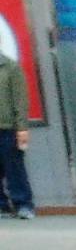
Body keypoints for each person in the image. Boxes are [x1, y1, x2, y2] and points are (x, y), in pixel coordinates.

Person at [0, 44, 33, 220]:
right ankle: (2, 206)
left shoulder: (10, 68)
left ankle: (23, 204)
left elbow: (20, 100)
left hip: (8, 128)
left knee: (14, 168)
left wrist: (22, 128)